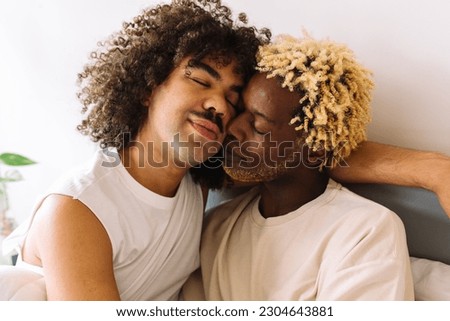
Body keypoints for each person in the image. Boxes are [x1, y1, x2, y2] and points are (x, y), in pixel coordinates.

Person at [1, 0, 449, 301]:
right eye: (199, 80)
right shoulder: (79, 210)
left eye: (234, 99)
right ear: (146, 84)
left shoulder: (198, 181)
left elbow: (302, 153)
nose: (220, 108)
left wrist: (432, 170)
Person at [182, 34, 416, 300]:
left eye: (258, 127)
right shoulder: (216, 226)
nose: (234, 128)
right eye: (240, 111)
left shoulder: (364, 230)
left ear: (314, 151)